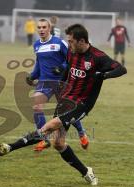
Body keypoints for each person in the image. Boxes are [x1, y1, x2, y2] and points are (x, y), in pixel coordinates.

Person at [0, 23, 127, 185]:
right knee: (58, 143)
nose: (68, 44)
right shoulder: (72, 53)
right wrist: (59, 84)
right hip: (66, 100)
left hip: (82, 103)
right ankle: (86, 171)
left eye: (71, 41)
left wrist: (104, 75)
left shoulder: (97, 56)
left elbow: (121, 69)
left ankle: (10, 147)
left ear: (81, 41)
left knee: (49, 127)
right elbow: (67, 70)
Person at [25, 19, 88, 152]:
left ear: (49, 28)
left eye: (44, 27)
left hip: (61, 82)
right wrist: (32, 76)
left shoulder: (59, 43)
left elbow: (71, 58)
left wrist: (61, 67)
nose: (41, 29)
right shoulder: (36, 45)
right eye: (39, 27)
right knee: (36, 106)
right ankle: (44, 139)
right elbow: (39, 63)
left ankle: (82, 133)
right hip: (44, 82)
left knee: (66, 112)